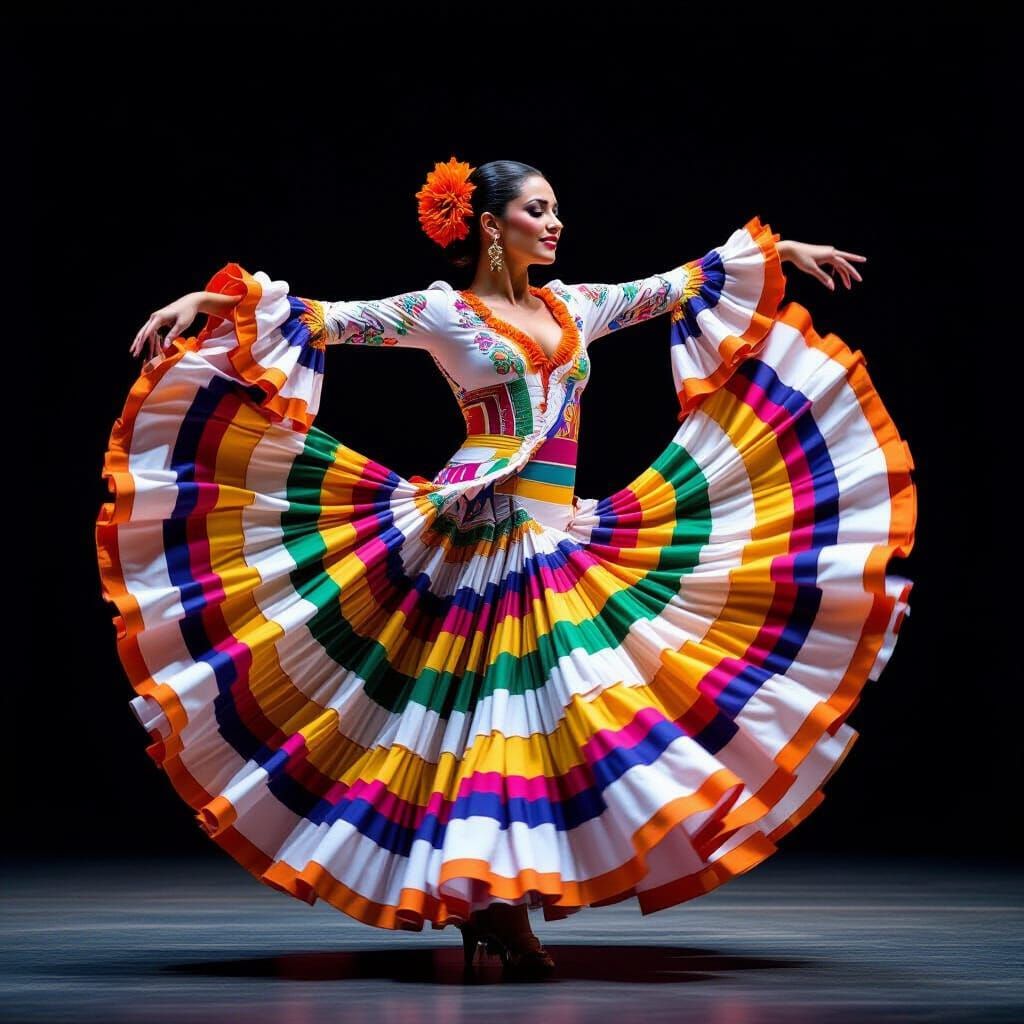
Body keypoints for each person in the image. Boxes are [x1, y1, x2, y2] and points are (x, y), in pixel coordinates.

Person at [99, 156, 917, 980]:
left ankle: (495, 898)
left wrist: (783, 253)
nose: (555, 222)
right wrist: (211, 302)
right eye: (538, 209)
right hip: (485, 527)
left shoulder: (577, 306)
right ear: (491, 225)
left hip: (563, 532)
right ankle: (495, 908)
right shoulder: (441, 312)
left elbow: (680, 283)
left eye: (557, 208)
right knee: (489, 720)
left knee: (553, 719)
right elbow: (320, 320)